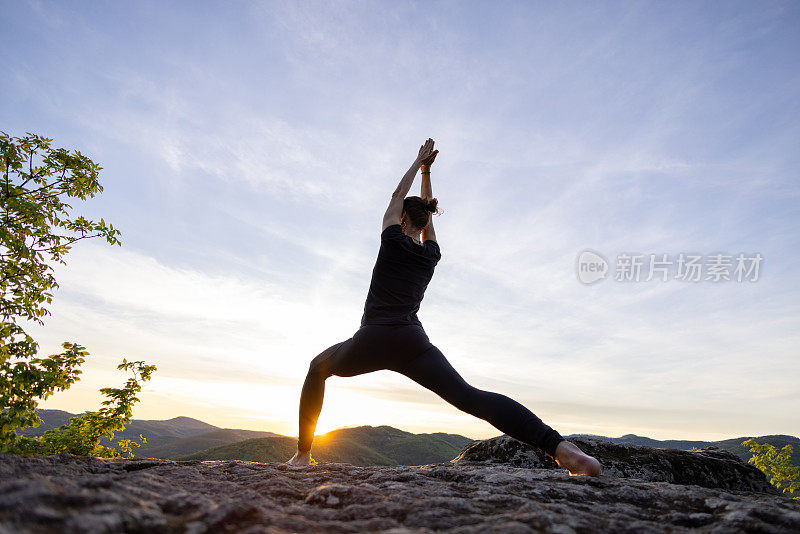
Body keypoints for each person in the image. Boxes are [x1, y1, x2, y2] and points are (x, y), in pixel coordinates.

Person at [286, 138, 602, 476]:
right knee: (471, 397)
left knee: (317, 368)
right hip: (412, 342)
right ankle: (564, 451)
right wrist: (427, 173)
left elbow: (396, 197)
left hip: (374, 337)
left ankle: (303, 456)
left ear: (403, 217)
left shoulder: (391, 240)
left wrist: (416, 163)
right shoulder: (431, 253)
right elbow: (426, 211)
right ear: (425, 224)